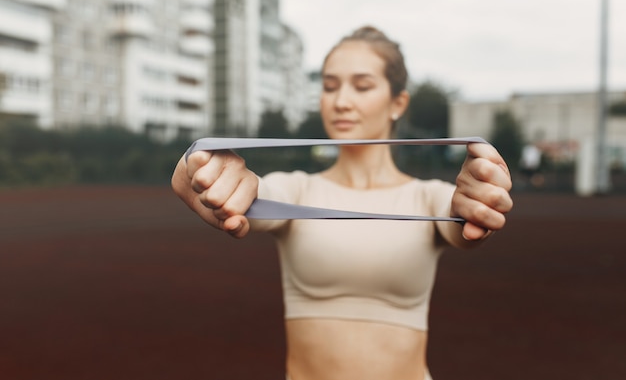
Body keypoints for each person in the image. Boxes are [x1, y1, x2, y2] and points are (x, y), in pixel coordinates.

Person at [171, 26, 513, 380]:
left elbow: (464, 219)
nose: (341, 101)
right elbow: (246, 196)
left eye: (362, 86)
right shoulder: (296, 190)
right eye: (329, 86)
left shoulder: (430, 198)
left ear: (398, 103)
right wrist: (194, 168)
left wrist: (478, 201)